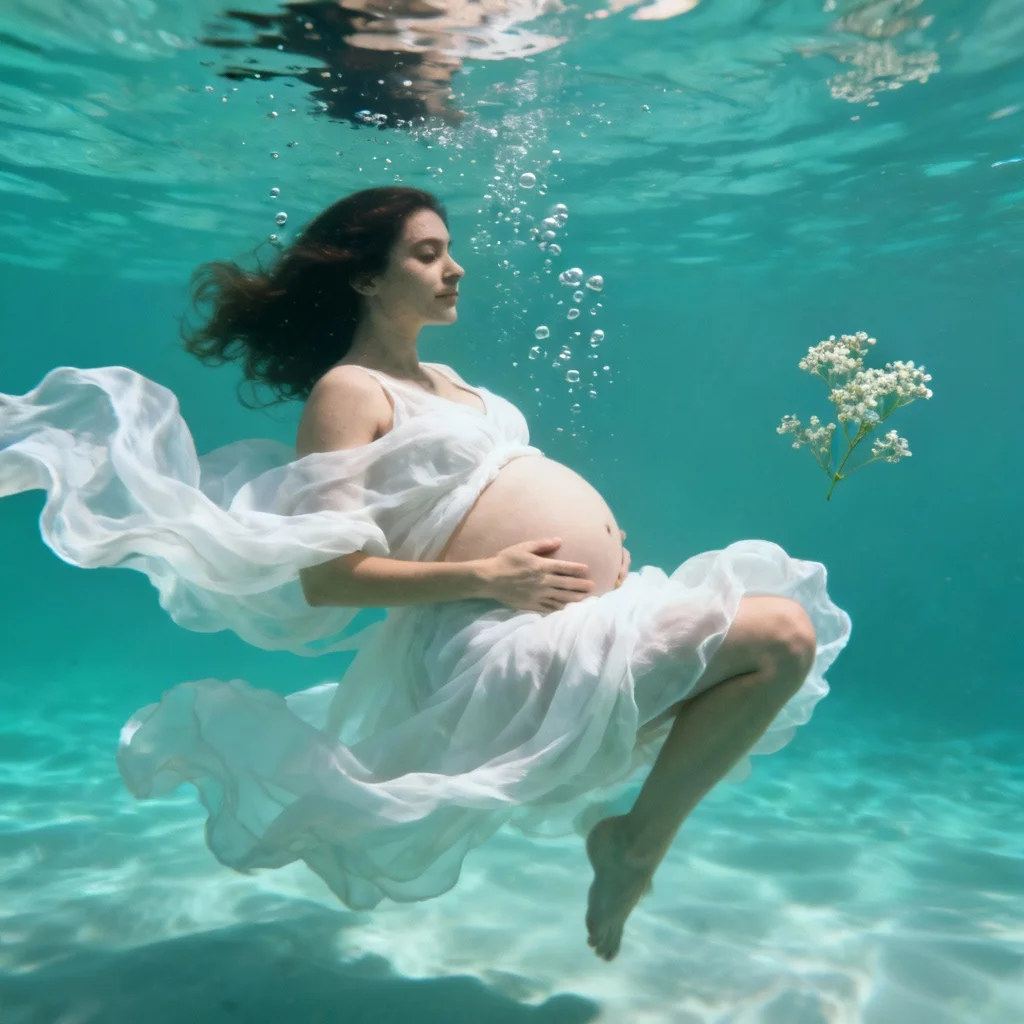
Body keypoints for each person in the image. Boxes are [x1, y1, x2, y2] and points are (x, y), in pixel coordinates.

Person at [0, 186, 851, 962]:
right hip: (489, 637)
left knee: (776, 644)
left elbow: (486, 495)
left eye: (447, 249)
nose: (455, 266)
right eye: (427, 252)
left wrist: (595, 538)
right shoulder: (348, 391)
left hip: (561, 608)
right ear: (366, 281)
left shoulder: (453, 383)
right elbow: (328, 579)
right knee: (778, 634)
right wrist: (492, 572)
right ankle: (633, 846)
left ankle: (632, 842)